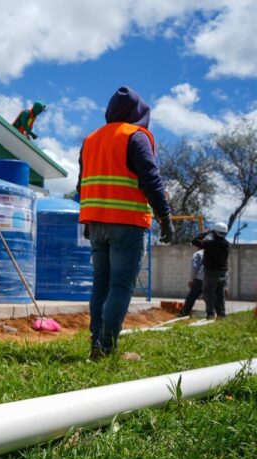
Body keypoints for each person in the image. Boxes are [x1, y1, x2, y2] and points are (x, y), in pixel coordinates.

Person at [77, 86, 174, 360]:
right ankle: (107, 349)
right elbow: (151, 180)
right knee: (120, 286)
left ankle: (96, 344)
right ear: (139, 112)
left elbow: (82, 184)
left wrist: (88, 221)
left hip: (97, 224)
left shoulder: (91, 139)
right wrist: (165, 217)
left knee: (101, 285)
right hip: (127, 224)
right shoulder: (136, 136)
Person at [192, 222, 230, 319]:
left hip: (210, 272)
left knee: (209, 294)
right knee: (220, 295)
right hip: (222, 273)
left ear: (214, 232)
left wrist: (206, 232)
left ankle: (210, 314)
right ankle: (221, 315)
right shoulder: (227, 244)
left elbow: (194, 241)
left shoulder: (209, 243)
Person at [180, 249, 204, 317]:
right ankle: (216, 314)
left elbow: (195, 267)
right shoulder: (215, 252)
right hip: (213, 278)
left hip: (200, 278)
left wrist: (192, 280)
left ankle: (185, 313)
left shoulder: (198, 253)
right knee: (212, 297)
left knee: (192, 297)